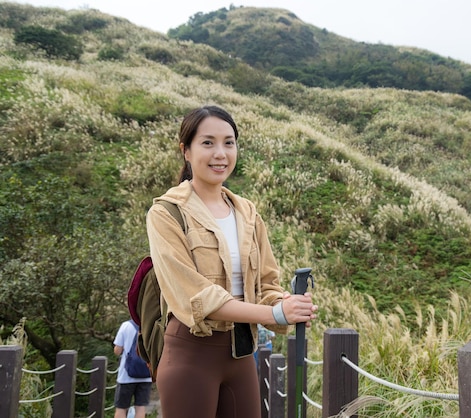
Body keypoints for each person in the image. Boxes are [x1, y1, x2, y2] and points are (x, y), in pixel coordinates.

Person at [146, 105, 318, 418]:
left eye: (229, 142)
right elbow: (197, 298)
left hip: (241, 356)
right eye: (208, 143)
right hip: (190, 356)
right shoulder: (166, 214)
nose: (220, 153)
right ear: (186, 150)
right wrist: (275, 312)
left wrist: (286, 303)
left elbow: (266, 284)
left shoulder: (248, 213)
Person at [112, 320, 153, 418]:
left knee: (121, 408)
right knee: (140, 407)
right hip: (146, 374)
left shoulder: (126, 326)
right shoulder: (151, 325)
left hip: (126, 376)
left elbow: (118, 350)